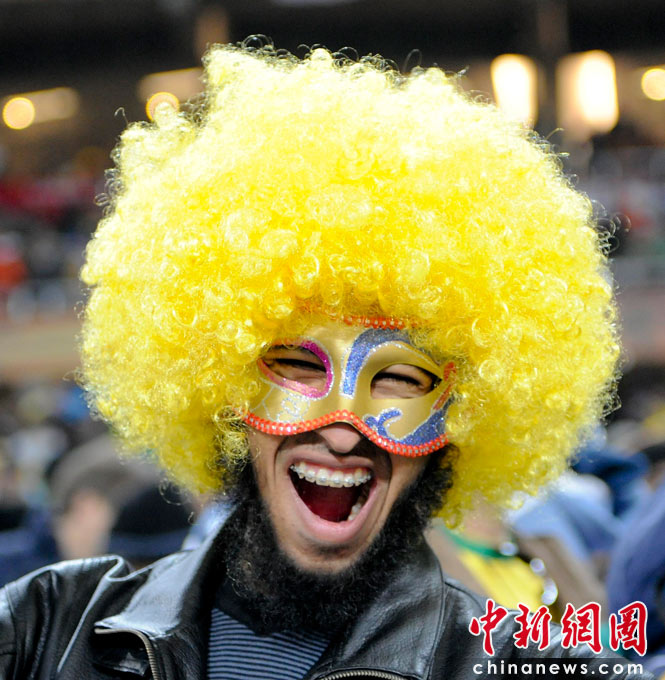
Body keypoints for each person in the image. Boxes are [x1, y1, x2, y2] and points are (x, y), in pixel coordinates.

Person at [0, 41, 646, 679]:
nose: (342, 431)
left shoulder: (534, 667)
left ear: (464, 414)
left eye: (400, 378)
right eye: (299, 366)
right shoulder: (46, 629)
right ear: (218, 381)